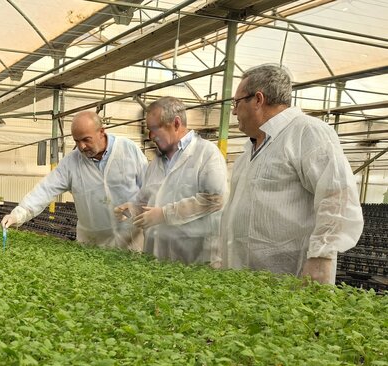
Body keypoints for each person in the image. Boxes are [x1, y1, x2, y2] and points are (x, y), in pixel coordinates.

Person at [220, 64, 363, 284]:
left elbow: (337, 198)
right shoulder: (251, 147)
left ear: (258, 100)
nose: (234, 111)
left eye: (237, 102)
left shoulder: (307, 132)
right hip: (243, 280)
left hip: (287, 279)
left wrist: (320, 258)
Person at [0, 110, 147, 250]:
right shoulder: (71, 162)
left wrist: (144, 211)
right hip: (91, 243)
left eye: (86, 140)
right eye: (77, 141)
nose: (81, 146)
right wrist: (17, 214)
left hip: (130, 239)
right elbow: (45, 190)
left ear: (101, 132)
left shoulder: (127, 150)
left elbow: (149, 188)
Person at [114, 97, 227, 264]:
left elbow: (214, 199)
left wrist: (165, 214)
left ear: (176, 123)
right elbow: (147, 199)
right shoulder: (156, 162)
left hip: (194, 257)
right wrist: (133, 208)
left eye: (154, 129)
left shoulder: (206, 153)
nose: (151, 136)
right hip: (156, 256)